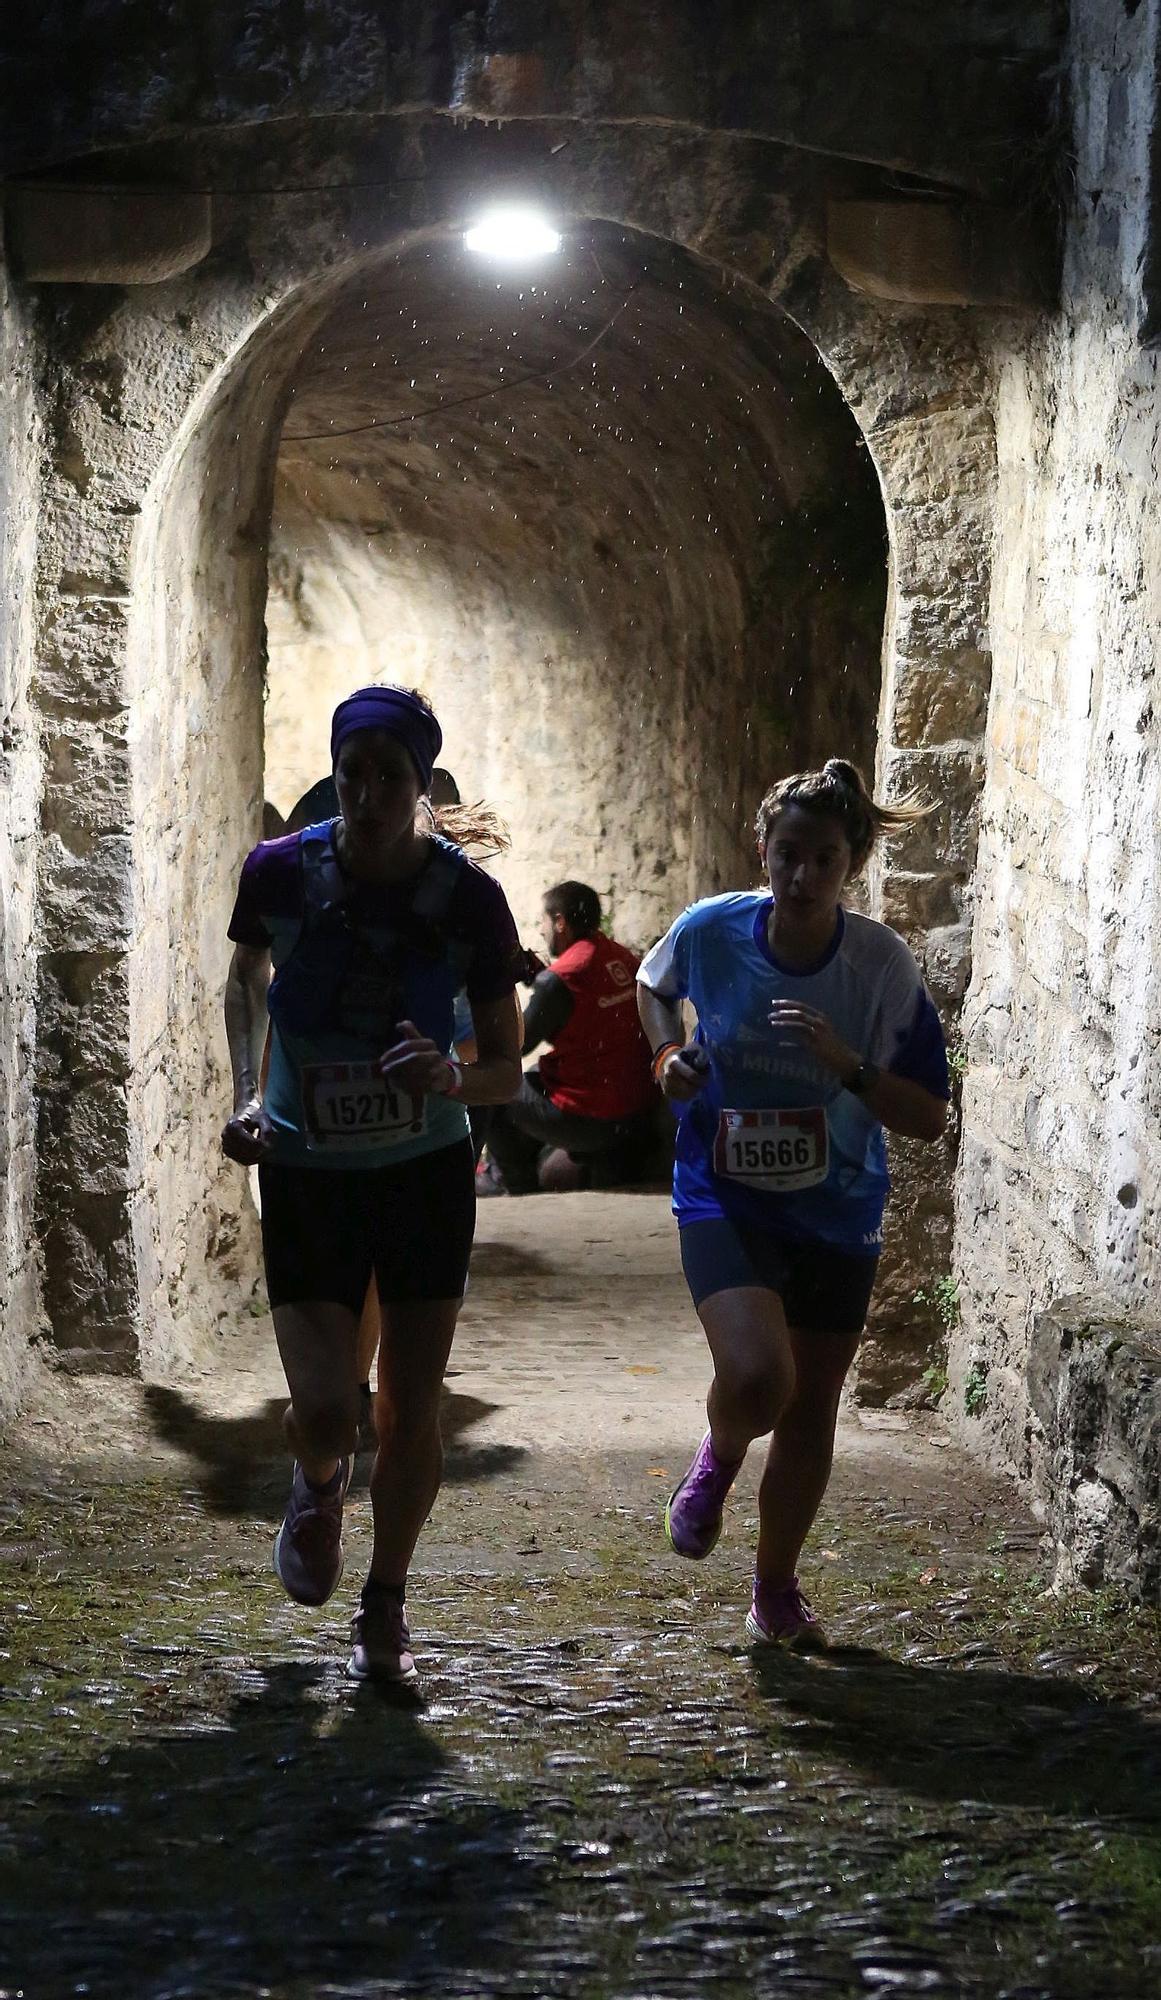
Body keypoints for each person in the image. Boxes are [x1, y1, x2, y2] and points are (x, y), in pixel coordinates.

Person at [221, 687, 522, 1688]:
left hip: (423, 1172)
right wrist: (247, 1094)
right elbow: (246, 978)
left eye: (390, 777)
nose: (369, 794)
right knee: (323, 1410)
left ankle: (384, 1598)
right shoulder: (279, 873)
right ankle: (316, 1481)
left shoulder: (466, 897)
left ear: (421, 783)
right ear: (337, 771)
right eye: (354, 773)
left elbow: (507, 1072)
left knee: (410, 1407)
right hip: (309, 1169)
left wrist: (450, 1077)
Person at [636, 759, 949, 1650]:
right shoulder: (711, 932)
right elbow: (653, 988)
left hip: (836, 1209)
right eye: (788, 856)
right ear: (762, 853)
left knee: (809, 1408)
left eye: (824, 860)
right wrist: (668, 1060)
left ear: (850, 865)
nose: (803, 877)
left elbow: (927, 1116)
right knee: (755, 1378)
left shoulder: (878, 966)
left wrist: (846, 1065)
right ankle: (719, 1458)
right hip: (724, 1196)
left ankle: (774, 1587)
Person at [282, 765, 489, 1445]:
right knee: (360, 1250)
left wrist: (459, 1074)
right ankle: (354, 1387)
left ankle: (370, 1387)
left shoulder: (455, 880)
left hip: (439, 1079)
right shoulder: (323, 832)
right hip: (355, 1072)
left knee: (388, 1251)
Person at [482, 880, 657, 1195]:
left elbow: (516, 1045)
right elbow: (588, 1005)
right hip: (635, 1108)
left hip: (591, 1117)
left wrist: (500, 987)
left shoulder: (560, 981)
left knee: (497, 1087)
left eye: (543, 921)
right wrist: (542, 977)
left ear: (560, 922)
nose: (541, 930)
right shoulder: (620, 956)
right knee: (534, 1079)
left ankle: (514, 1186)